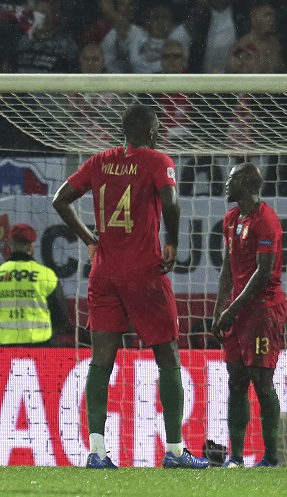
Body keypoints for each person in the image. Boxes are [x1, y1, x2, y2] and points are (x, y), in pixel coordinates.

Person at [51, 104, 209, 469]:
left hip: (104, 272)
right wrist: (171, 242)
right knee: (167, 355)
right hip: (144, 272)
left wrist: (90, 239)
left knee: (102, 360)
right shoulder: (157, 160)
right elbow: (171, 201)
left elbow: (60, 199)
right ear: (153, 132)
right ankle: (173, 450)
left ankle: (96, 452)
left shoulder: (99, 161)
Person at [211, 163, 286, 468]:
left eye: (231, 179)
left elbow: (263, 273)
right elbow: (228, 267)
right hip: (237, 312)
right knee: (236, 380)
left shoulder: (266, 221)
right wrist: (219, 308)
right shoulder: (231, 219)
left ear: (245, 183)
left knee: (262, 380)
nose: (226, 184)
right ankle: (236, 457)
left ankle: (270, 457)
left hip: (263, 311)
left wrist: (232, 309)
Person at [0, 223, 69, 347]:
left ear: (11, 245)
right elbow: (61, 316)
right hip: (40, 346)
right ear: (31, 246)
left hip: (3, 349)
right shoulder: (46, 275)